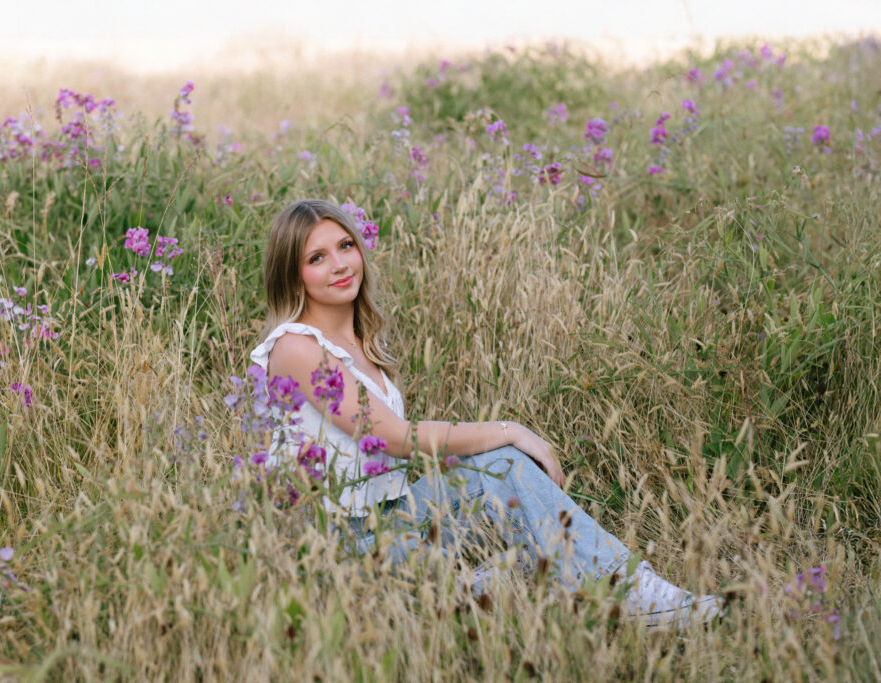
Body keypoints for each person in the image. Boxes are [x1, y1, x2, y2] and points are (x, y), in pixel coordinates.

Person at [249, 199, 721, 628]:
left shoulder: (358, 343)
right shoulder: (295, 347)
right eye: (317, 258)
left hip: (388, 519)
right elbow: (392, 437)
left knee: (534, 550)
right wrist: (509, 429)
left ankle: (593, 593)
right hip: (343, 545)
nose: (339, 264)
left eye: (346, 246)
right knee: (506, 467)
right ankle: (641, 600)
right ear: (292, 276)